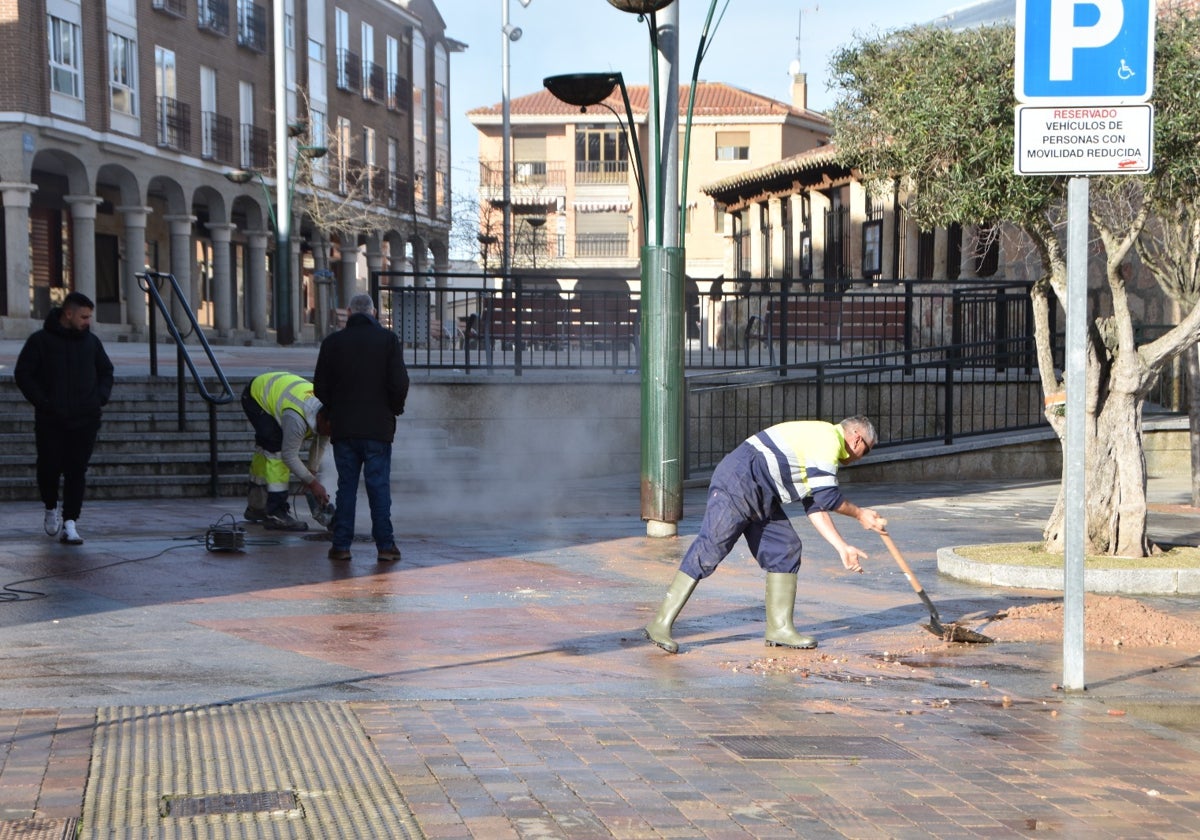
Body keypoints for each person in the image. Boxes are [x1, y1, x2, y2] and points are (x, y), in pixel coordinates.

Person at [644, 416, 888, 654]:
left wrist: (842, 547)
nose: (861, 457)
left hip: (762, 493)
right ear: (857, 439)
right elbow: (827, 497)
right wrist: (860, 514)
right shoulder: (827, 438)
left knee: (785, 548)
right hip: (739, 481)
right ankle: (661, 623)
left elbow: (816, 505)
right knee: (710, 549)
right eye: (867, 451)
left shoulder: (821, 445)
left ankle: (780, 629)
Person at [314, 293, 409, 563]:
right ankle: (386, 547)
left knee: (346, 488)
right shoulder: (388, 340)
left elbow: (320, 386)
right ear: (374, 313)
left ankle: (341, 546)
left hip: (344, 428)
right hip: (378, 428)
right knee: (378, 487)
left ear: (348, 312)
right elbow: (399, 383)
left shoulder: (332, 343)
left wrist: (335, 408)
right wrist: (394, 408)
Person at [14, 292, 114, 546]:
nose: (87, 321)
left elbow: (106, 371)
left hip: (85, 418)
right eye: (83, 316)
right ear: (67, 314)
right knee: (48, 468)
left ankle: (70, 523)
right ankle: (50, 506)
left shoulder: (91, 343)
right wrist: (44, 402)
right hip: (51, 419)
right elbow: (23, 373)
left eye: (89, 317)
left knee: (76, 470)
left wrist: (99, 398)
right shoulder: (40, 341)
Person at [241, 372, 331, 531]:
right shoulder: (297, 419)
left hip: (274, 388)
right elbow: (289, 456)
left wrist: (311, 472)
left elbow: (320, 443)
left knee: (264, 451)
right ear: (322, 419)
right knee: (275, 451)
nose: (331, 435)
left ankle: (257, 507)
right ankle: (276, 514)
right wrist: (313, 483)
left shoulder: (328, 413)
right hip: (256, 396)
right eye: (330, 430)